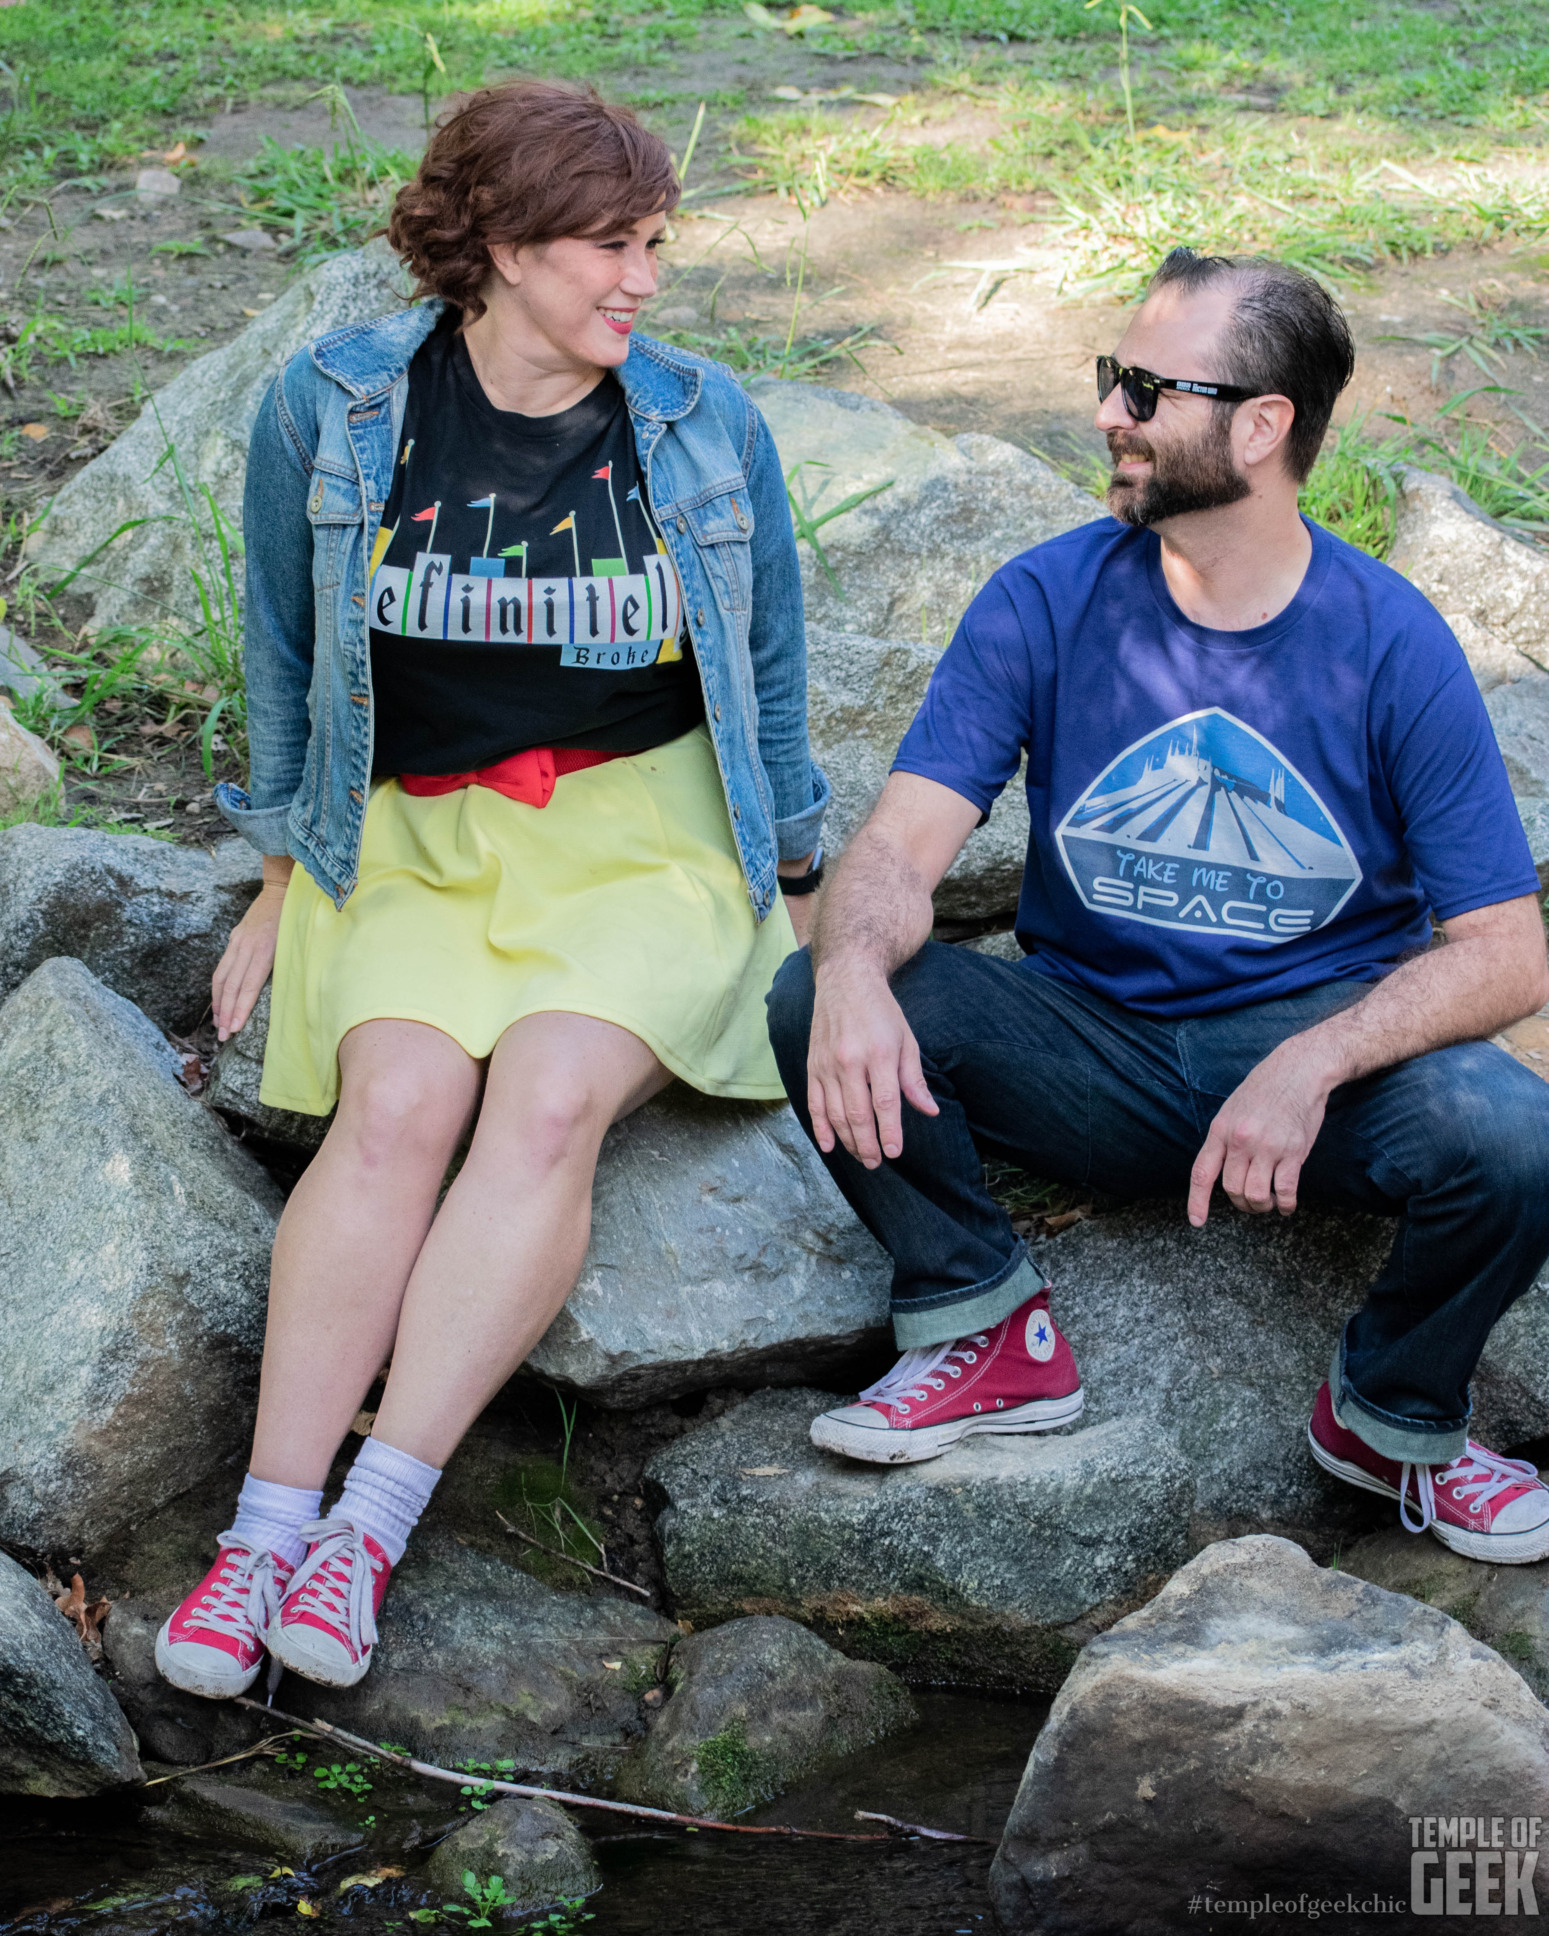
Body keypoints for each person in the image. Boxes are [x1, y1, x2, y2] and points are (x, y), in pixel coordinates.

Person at [156, 81, 827, 1701]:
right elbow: (285, 651)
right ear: (503, 247)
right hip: (418, 832)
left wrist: (789, 888)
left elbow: (773, 662)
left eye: (655, 242)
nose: (643, 280)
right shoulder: (332, 406)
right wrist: (278, 871)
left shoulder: (698, 419)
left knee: (535, 1105)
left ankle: (368, 1525)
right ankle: (261, 1532)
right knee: (392, 1109)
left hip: (646, 833)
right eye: (611, 244)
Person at [768, 246, 1549, 1565]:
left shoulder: (1390, 639)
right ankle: (979, 1325)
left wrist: (1318, 1056)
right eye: (1109, 378)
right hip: (1083, 1045)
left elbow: (1504, 954)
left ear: (1259, 426)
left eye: (1144, 388)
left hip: (1307, 1070)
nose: (1106, 414)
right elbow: (901, 848)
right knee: (817, 991)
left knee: (1513, 1135)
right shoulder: (1043, 598)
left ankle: (1388, 1416)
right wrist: (846, 971)